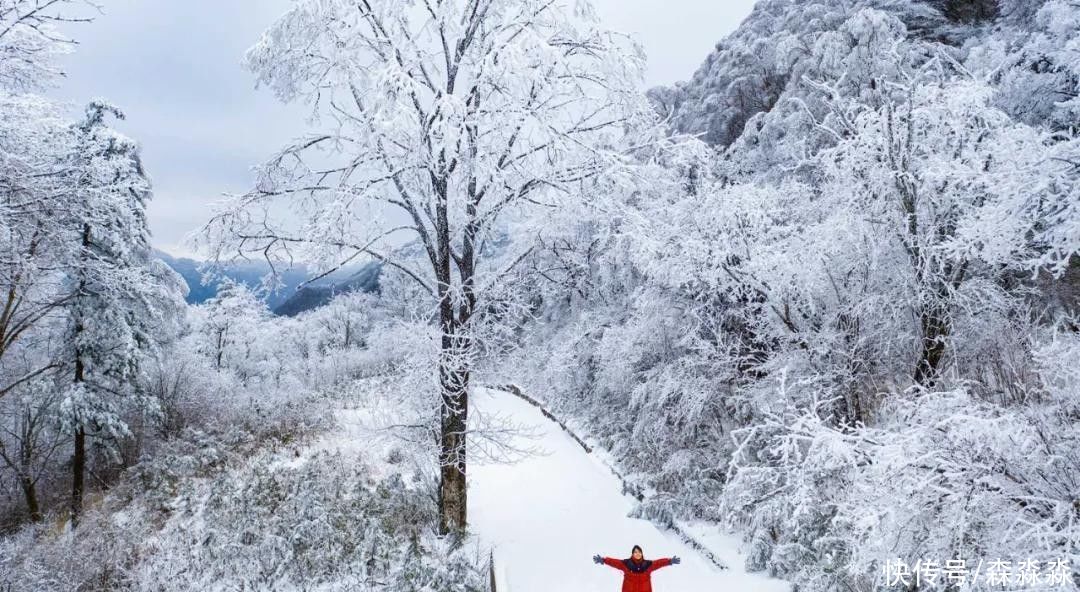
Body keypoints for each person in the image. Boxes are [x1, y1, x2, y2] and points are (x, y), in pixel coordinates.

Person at [592, 544, 681, 592]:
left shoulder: (648, 565)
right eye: (635, 552)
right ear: (632, 554)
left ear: (642, 553)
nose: (637, 553)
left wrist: (669, 561)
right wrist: (603, 560)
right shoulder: (626, 564)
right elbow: (615, 563)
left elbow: (658, 563)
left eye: (639, 552)